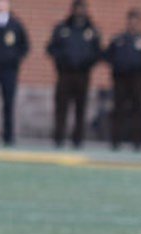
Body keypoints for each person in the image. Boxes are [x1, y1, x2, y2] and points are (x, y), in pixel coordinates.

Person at [46, 0, 101, 148]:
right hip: (64, 75)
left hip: (83, 75)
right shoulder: (62, 28)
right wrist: (62, 61)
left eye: (82, 8)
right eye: (77, 8)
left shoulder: (91, 30)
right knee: (61, 107)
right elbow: (51, 48)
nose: (80, 11)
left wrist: (86, 63)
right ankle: (58, 138)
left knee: (80, 108)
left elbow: (98, 52)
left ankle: (77, 140)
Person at [103, 8, 141, 151]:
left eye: (136, 22)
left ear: (140, 23)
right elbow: (107, 55)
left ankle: (137, 142)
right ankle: (115, 141)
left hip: (138, 80)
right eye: (131, 21)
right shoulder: (119, 39)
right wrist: (117, 65)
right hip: (120, 80)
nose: (133, 25)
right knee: (118, 110)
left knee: (137, 111)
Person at [0, 0, 28, 146]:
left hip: (8, 70)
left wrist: (14, 59)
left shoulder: (15, 25)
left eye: (3, 4)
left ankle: (8, 137)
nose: (0, 7)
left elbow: (24, 46)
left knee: (8, 103)